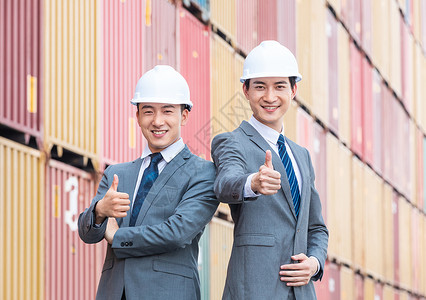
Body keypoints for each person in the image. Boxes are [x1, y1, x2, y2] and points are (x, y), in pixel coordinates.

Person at [78, 65, 219, 300]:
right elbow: (87, 234)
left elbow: (177, 233)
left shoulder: (203, 173)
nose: (157, 121)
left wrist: (117, 237)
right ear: (137, 116)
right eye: (148, 111)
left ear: (184, 116)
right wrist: (100, 211)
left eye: (167, 111)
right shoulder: (116, 173)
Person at [211, 41, 329, 299]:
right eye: (260, 87)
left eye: (279, 86)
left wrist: (315, 263)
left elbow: (316, 227)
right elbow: (225, 183)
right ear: (246, 90)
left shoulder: (302, 156)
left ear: (294, 89)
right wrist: (252, 182)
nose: (270, 96)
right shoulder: (231, 141)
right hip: (253, 289)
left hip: (301, 292)